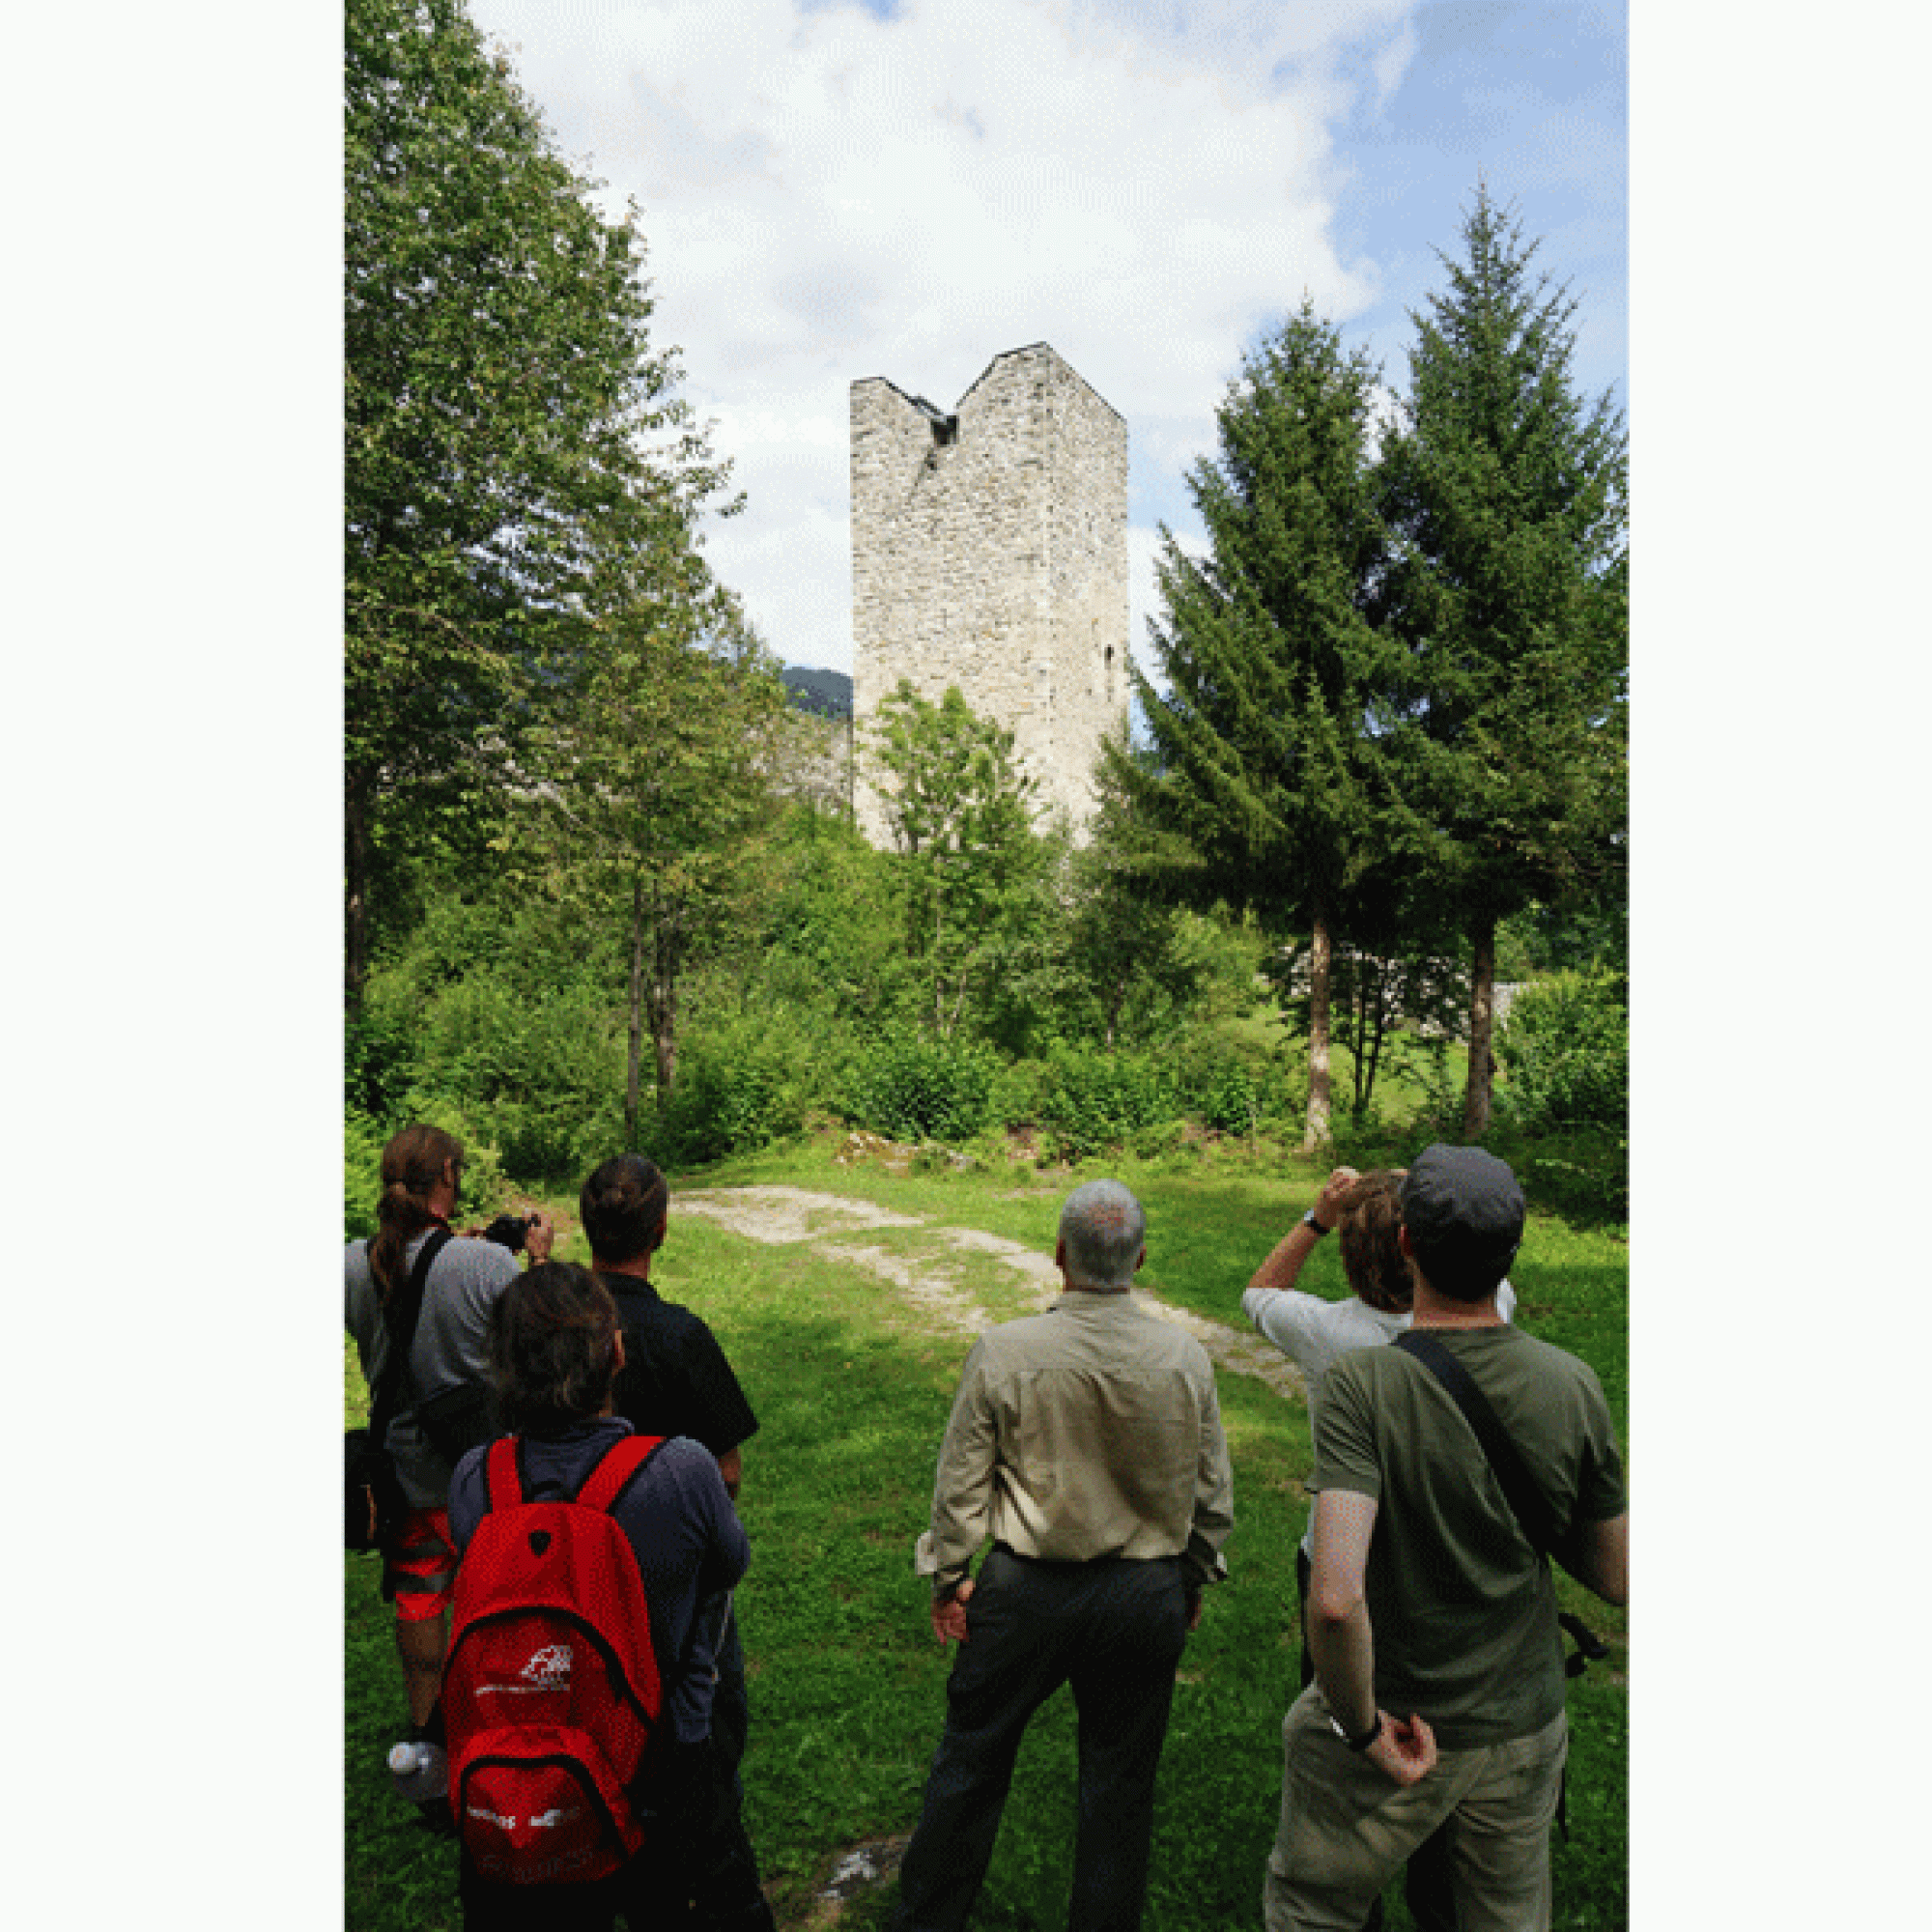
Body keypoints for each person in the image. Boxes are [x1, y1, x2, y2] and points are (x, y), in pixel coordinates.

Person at [1262, 1146, 1628, 1932]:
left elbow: (1332, 1601)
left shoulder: (1365, 1382)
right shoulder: (1572, 1383)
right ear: (1509, 1260)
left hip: (1399, 1708)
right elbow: (1619, 1576)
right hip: (1520, 1722)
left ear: (1406, 1246)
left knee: (1315, 1908)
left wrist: (1361, 1732)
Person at [890, 1179, 1235, 1932]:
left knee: (972, 1762)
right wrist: (1193, 1572)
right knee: (1119, 1783)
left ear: (1058, 1256)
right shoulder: (1184, 1358)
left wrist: (950, 1577)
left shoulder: (1005, 1351)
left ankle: (927, 1920)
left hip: (1024, 1593)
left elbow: (961, 1488)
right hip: (1143, 1593)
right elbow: (1212, 1491)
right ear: (1140, 1258)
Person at [446, 1262, 750, 1932]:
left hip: (523, 1770)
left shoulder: (476, 1481)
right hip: (661, 1755)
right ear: (615, 1352)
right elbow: (731, 1565)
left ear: (501, 1366)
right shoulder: (681, 1470)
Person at [580, 1154, 772, 1932]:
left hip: (576, 1582)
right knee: (704, 1754)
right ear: (661, 1228)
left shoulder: (549, 1330)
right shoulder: (679, 1334)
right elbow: (725, 1472)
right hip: (681, 1597)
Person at [344, 1122, 555, 1817]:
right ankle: (503, 1729)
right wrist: (535, 1261)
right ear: (445, 1184)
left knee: (420, 1598)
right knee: (494, 1605)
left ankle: (428, 1742)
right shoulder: (487, 1267)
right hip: (479, 1470)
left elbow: (399, 1284)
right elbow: (536, 1341)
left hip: (401, 1474)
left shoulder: (350, 1265)